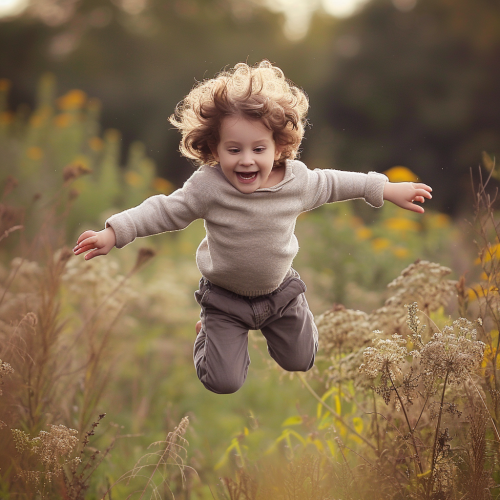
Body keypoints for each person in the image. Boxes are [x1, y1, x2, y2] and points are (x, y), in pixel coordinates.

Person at [73, 61, 432, 394]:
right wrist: (114, 232)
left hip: (279, 295)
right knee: (222, 382)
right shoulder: (208, 187)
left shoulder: (297, 182)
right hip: (225, 301)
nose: (246, 160)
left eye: (258, 148)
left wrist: (385, 188)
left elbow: (338, 183)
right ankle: (208, 336)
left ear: (278, 147)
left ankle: (289, 318)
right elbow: (166, 211)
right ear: (214, 147)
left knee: (300, 360)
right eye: (234, 149)